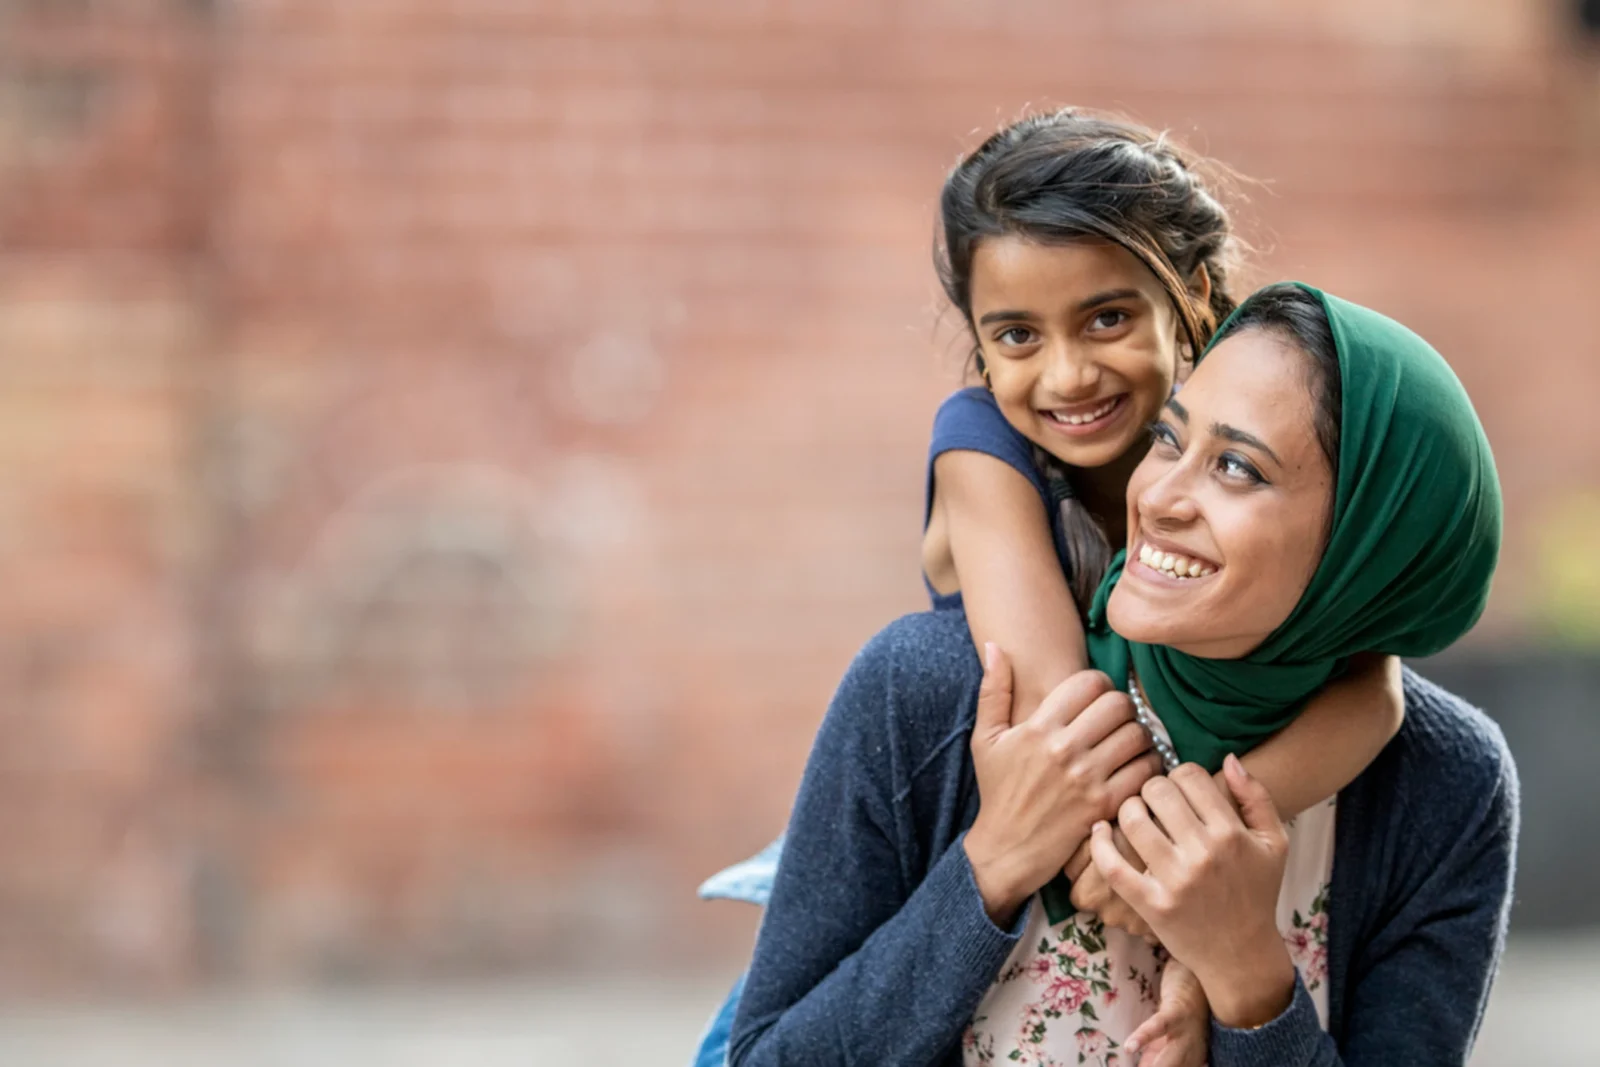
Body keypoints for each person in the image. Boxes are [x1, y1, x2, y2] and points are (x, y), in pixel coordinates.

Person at [692, 110, 1401, 1067]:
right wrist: (1161, 865)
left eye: (1107, 317)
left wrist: (1207, 867)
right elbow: (1071, 742)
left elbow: (1379, 689)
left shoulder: (1250, 437)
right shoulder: (982, 452)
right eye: (1017, 335)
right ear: (981, 346)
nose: (1067, 374)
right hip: (924, 889)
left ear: (1190, 296)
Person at [724, 283, 1511, 1067]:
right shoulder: (928, 693)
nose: (1160, 497)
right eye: (1169, 440)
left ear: (1367, 546)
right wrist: (991, 865)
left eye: (1236, 467)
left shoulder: (1444, 783)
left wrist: (1245, 976)